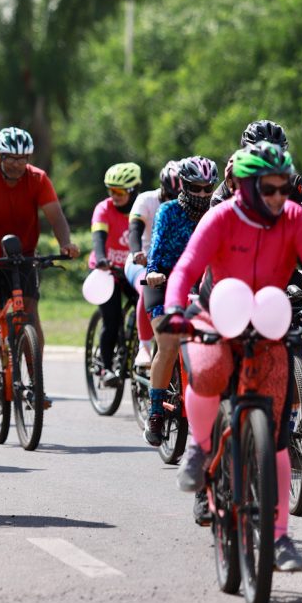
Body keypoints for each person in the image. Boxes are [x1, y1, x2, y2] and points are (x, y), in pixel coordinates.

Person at [161, 141, 302, 573]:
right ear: (245, 186)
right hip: (215, 313)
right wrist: (174, 308)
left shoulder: (293, 217)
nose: (278, 196)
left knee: (275, 434)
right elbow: (186, 267)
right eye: (268, 188)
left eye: (283, 188)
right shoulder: (221, 216)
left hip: (269, 320)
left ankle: (280, 538)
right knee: (210, 370)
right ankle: (200, 449)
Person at [0, 127, 78, 394]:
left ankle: (35, 383)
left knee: (29, 313)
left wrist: (65, 243)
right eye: (11, 158)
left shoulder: (38, 179)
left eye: (23, 159)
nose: (18, 164)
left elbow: (56, 217)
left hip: (23, 256)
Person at [141, 156, 217, 446]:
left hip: (202, 287)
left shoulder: (218, 211)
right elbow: (157, 247)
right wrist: (153, 272)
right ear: (183, 185)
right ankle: (156, 413)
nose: (202, 194)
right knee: (169, 343)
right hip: (163, 283)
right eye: (195, 188)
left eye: (208, 188)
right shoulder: (168, 211)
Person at [212, 119, 302, 257]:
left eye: (276, 155)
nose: (270, 164)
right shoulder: (226, 191)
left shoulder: (294, 183)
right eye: (261, 157)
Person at [89, 162, 143, 387]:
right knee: (112, 319)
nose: (114, 196)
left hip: (130, 269)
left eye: (120, 192)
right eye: (111, 190)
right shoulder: (103, 209)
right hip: (106, 269)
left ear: (134, 190)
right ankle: (105, 367)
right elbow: (98, 237)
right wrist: (102, 258)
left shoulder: (141, 209)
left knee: (147, 303)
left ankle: (136, 349)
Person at [125, 159, 181, 372]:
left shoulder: (187, 205)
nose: (172, 202)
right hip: (141, 261)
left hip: (172, 264)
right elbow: (134, 230)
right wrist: (136, 252)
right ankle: (144, 346)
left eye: (178, 197)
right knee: (147, 287)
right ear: (162, 188)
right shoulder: (146, 200)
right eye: (169, 195)